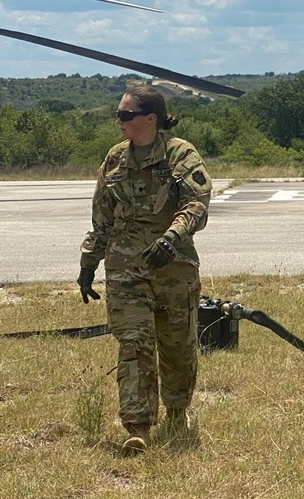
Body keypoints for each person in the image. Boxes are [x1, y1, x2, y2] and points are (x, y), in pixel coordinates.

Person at [77, 85, 212, 455]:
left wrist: (172, 237)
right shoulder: (115, 159)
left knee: (177, 346)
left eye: (125, 115)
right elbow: (102, 216)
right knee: (134, 343)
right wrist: (90, 261)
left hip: (173, 266)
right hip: (125, 267)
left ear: (149, 119)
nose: (118, 121)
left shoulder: (179, 154)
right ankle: (137, 426)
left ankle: (177, 410)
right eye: (118, 114)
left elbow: (197, 204)